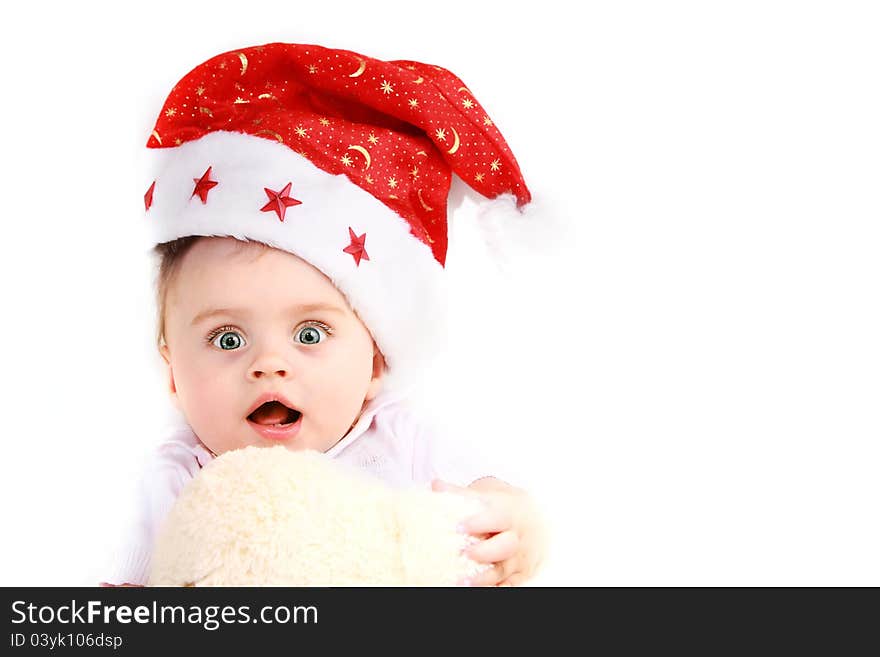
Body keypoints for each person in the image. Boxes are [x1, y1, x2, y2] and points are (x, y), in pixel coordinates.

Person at [103, 41, 545, 587]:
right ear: (173, 374)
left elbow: (493, 507)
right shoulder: (176, 479)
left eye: (309, 332)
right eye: (226, 339)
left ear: (375, 362)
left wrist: (516, 526)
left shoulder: (405, 441)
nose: (268, 363)